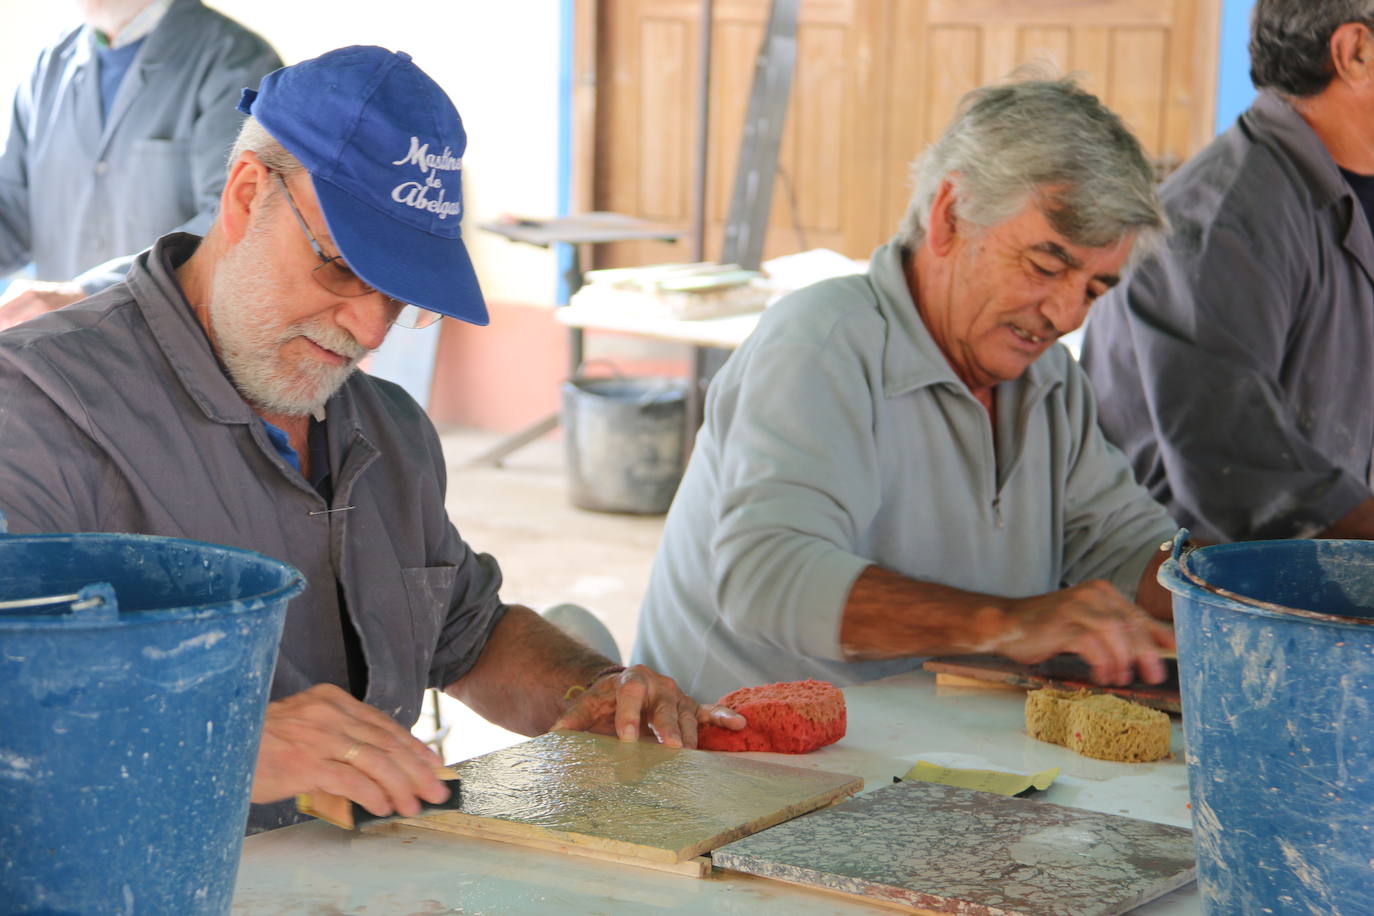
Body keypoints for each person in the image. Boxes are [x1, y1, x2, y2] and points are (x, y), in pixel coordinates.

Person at [0, 45, 742, 833]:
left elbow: (468, 632)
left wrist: (594, 692)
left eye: (402, 298)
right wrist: (221, 739)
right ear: (247, 195)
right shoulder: (39, 406)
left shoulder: (387, 430)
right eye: (343, 269)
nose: (368, 329)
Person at [632, 77, 1179, 704]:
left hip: (924, 765)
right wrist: (1008, 622)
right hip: (734, 766)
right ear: (949, 216)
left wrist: (1236, 586)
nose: (1064, 314)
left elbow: (1125, 546)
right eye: (1045, 267)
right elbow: (767, 576)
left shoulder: (1048, 379)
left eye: (1094, 288)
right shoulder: (823, 342)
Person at [1081, 0, 1374, 543]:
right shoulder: (1221, 217)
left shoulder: (1347, 193)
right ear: (1355, 52)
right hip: (1186, 609)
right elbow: (1237, 467)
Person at [0, 0, 280, 330]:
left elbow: (236, 217)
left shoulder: (235, 59)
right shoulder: (48, 66)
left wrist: (89, 292)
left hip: (174, 338)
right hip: (62, 348)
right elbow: (12, 212)